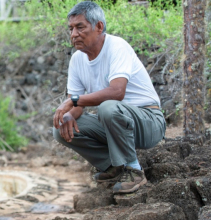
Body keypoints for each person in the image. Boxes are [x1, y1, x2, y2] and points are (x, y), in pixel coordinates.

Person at [52, 1, 166, 194]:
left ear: (99, 27)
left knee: (108, 107)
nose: (73, 34)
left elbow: (116, 92)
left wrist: (72, 102)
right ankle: (113, 166)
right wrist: (70, 114)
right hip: (116, 124)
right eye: (71, 29)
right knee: (62, 128)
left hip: (148, 122)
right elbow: (77, 104)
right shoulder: (77, 59)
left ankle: (134, 170)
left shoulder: (117, 46)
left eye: (80, 27)